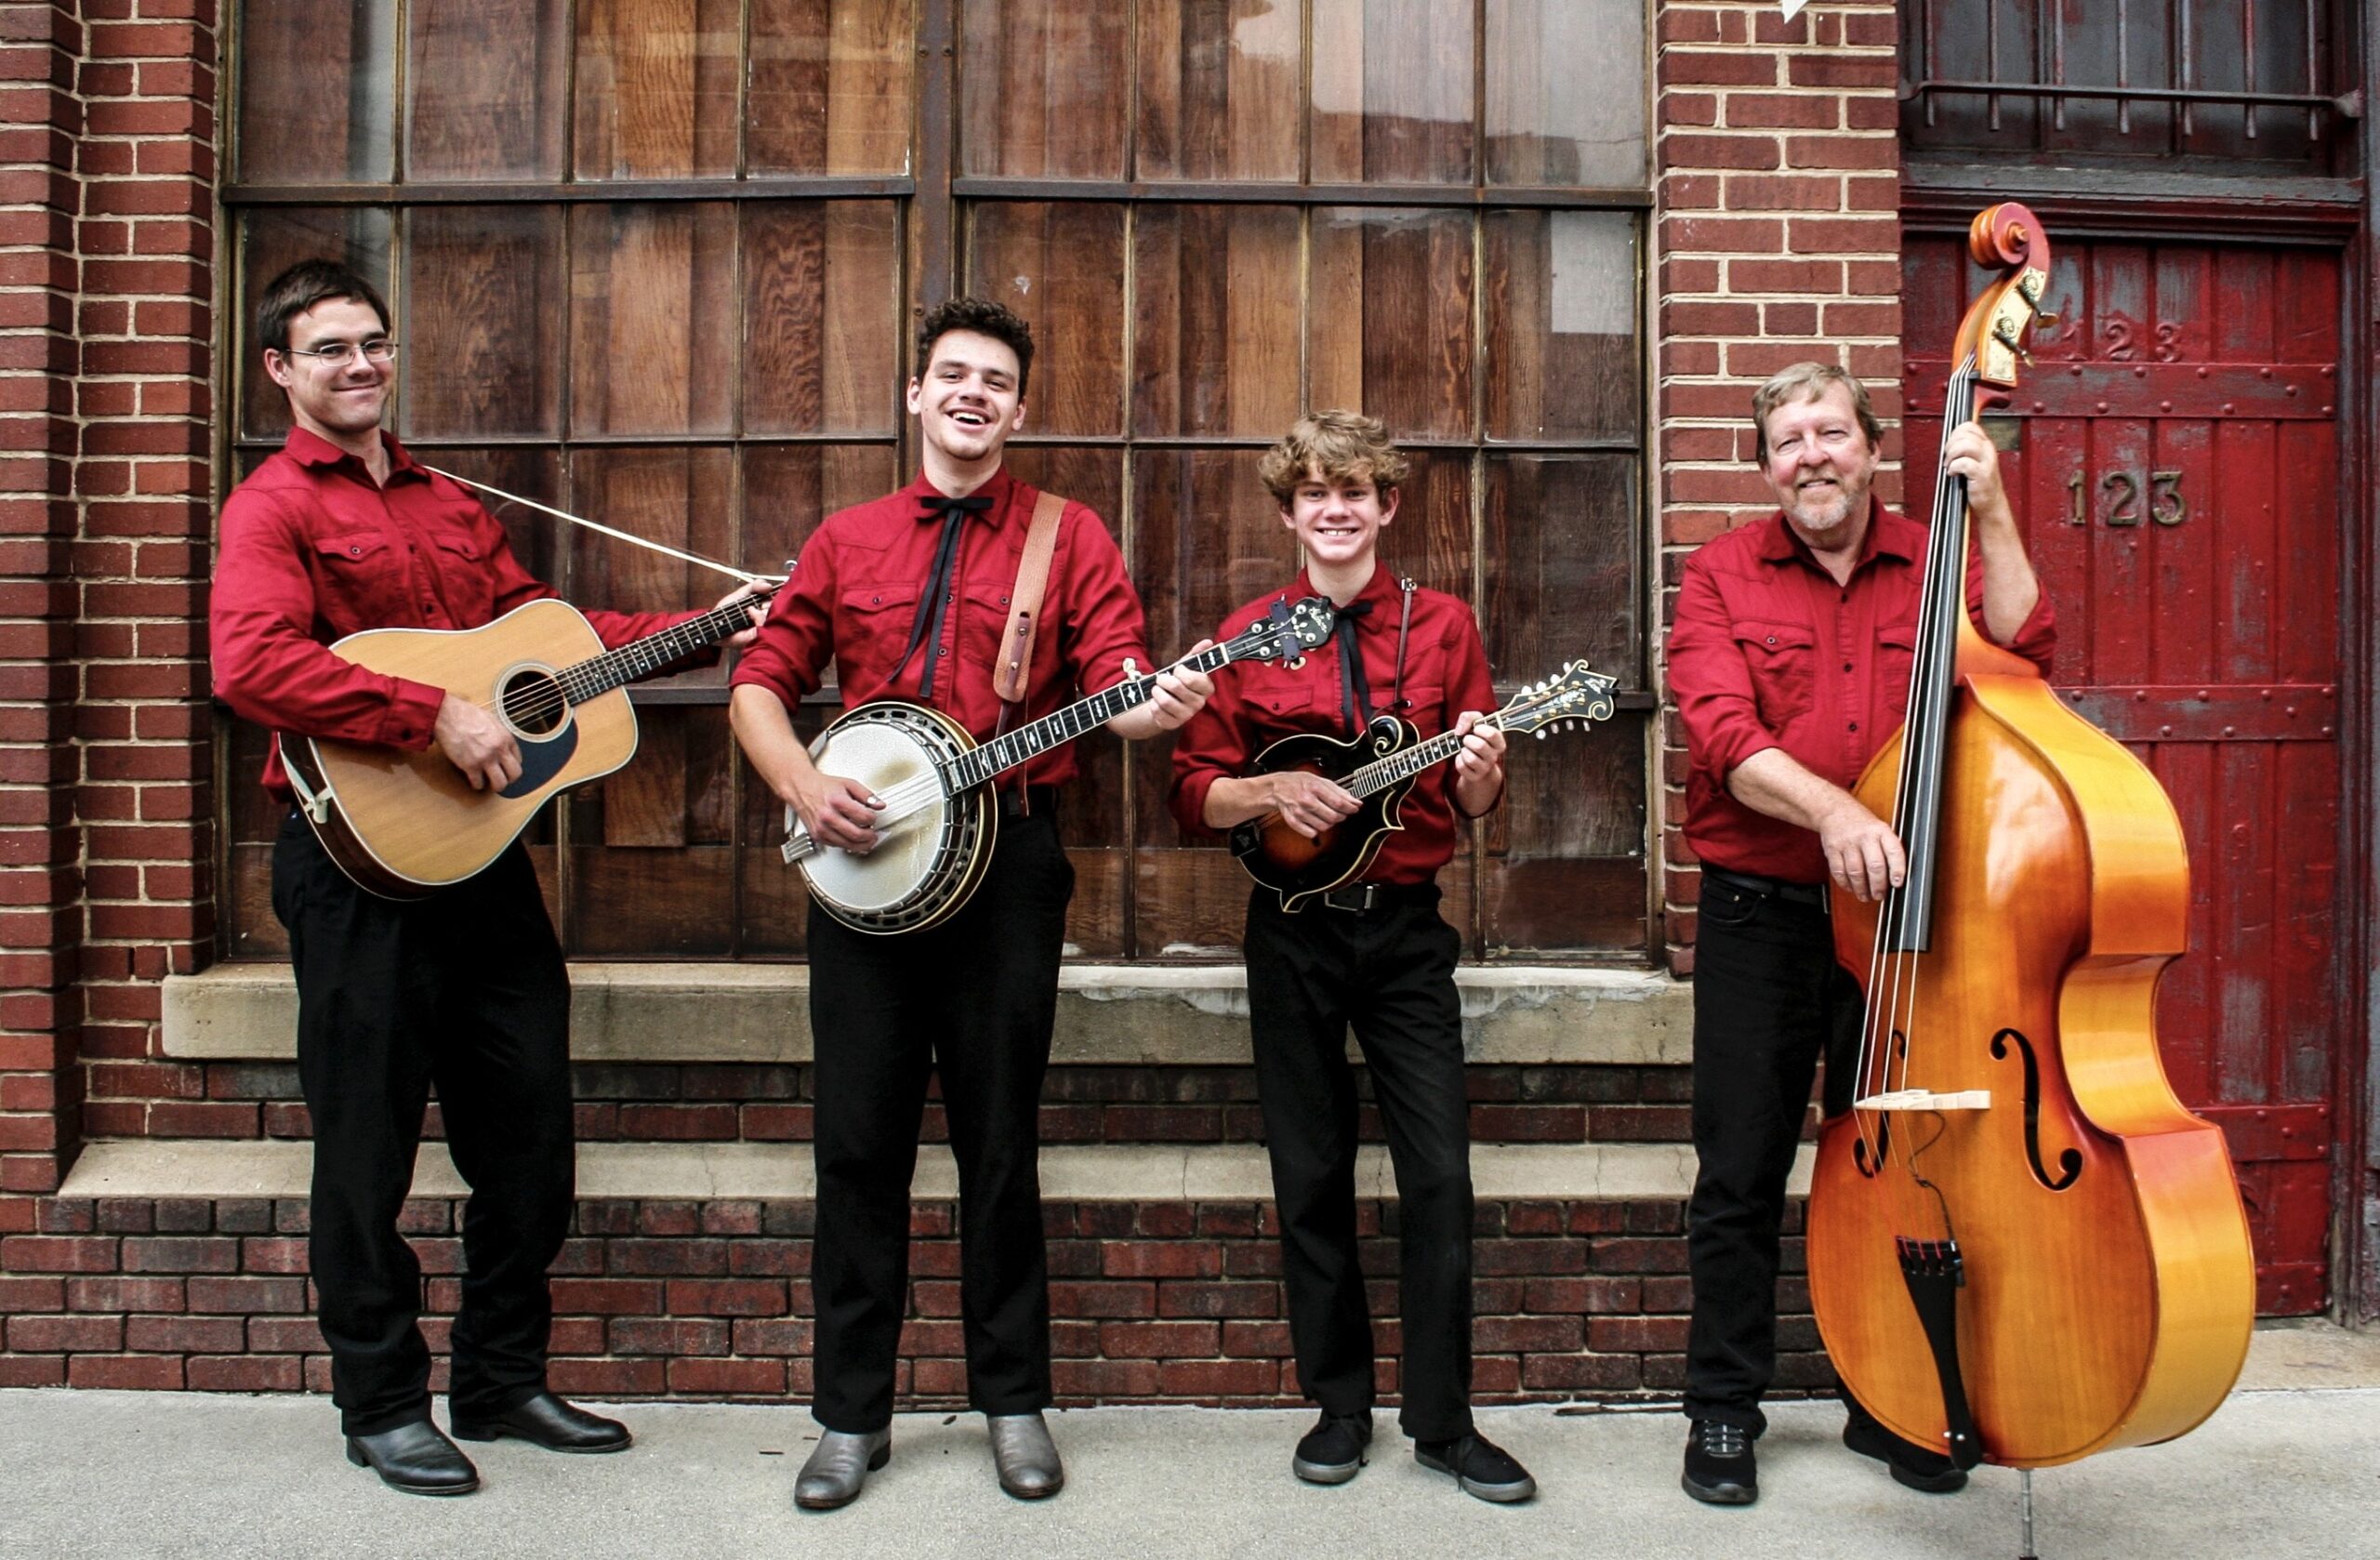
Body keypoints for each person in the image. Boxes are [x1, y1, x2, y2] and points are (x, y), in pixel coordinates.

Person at [209, 260, 764, 1496]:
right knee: (366, 1152)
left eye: (375, 342)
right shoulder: (270, 507)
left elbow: (545, 641)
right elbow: (249, 662)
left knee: (530, 1140)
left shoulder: (449, 503)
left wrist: (707, 625)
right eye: (332, 348)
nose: (362, 364)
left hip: (483, 866)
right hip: (354, 870)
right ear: (280, 369)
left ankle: (501, 1380)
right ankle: (380, 1402)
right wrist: (429, 715)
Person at [729, 297, 1212, 1510]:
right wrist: (802, 785)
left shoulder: (1068, 535)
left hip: (1009, 869)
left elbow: (1117, 674)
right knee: (857, 1144)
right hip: (862, 875)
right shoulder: (846, 538)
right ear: (916, 393)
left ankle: (1012, 1401)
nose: (972, 394)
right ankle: (850, 1415)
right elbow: (759, 683)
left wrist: (1150, 704)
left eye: (994, 380)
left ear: (1018, 408)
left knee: (1000, 1143)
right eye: (952, 374)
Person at [1663, 362, 2056, 1506]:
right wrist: (1837, 812)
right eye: (1787, 441)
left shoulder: (1937, 557)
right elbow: (1721, 733)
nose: (1811, 457)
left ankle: (1886, 1398)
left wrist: (1992, 509)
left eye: (1830, 432)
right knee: (1740, 1168)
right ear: (1764, 468)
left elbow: (2027, 656)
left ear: (1873, 447)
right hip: (1762, 912)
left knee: (1893, 1163)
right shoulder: (1721, 574)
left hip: (1902, 925)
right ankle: (1722, 1409)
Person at [1168, 410, 1536, 1503]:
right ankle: (1337, 1406)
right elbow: (1192, 792)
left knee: (1440, 1177)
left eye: (1354, 491)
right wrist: (1268, 790)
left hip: (1406, 929)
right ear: (1289, 514)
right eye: (1315, 493)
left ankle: (1444, 1423)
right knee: (1309, 1173)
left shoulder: (1443, 625)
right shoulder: (1246, 633)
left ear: (1386, 506)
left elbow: (1475, 796)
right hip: (1291, 931)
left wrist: (1481, 767)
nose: (1335, 509)